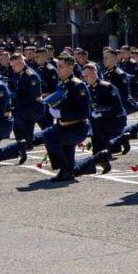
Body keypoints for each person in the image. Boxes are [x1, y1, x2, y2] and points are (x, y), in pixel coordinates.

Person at [39, 55, 91, 183]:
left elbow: (85, 112)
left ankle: (65, 171)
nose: (58, 70)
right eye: (57, 67)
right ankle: (69, 169)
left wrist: (62, 113)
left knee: (51, 137)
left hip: (76, 127)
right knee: (48, 135)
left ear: (70, 67)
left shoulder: (78, 86)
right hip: (63, 125)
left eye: (61, 67)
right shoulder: (61, 83)